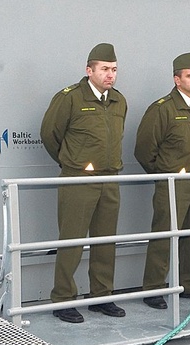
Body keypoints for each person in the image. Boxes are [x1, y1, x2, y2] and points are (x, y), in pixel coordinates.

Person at [40, 43, 128, 323]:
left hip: (110, 178)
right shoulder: (70, 98)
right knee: (73, 241)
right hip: (79, 179)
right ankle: (63, 299)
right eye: (104, 69)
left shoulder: (119, 101)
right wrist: (72, 162)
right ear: (89, 70)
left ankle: (102, 297)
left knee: (106, 241)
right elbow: (50, 135)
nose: (110, 75)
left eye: (114, 69)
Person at [134, 52, 190, 309]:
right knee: (164, 235)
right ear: (176, 79)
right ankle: (154, 288)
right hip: (173, 184)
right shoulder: (163, 109)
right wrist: (164, 174)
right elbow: (144, 150)